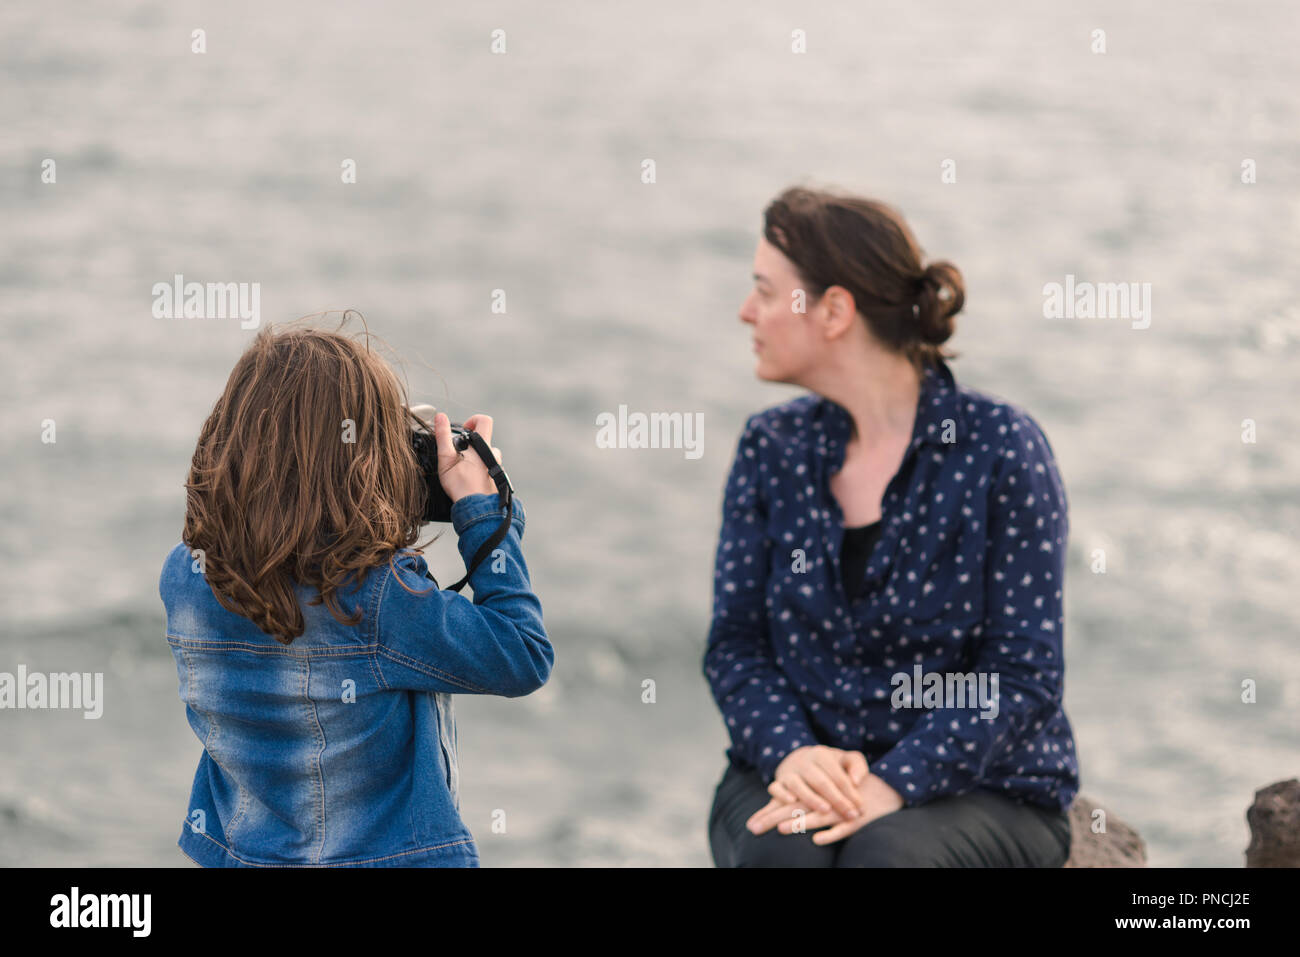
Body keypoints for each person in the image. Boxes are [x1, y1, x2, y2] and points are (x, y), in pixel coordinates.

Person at [704, 186, 1077, 867]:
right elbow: (736, 645)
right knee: (782, 854)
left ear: (835, 310)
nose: (746, 311)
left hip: (985, 788)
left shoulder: (1002, 449)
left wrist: (894, 780)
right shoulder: (770, 447)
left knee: (887, 856)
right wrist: (794, 751)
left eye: (764, 289)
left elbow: (1023, 673)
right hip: (789, 763)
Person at [160, 321, 552, 867]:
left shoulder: (186, 577)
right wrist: (483, 511)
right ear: (364, 466)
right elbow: (521, 654)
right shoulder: (375, 601)